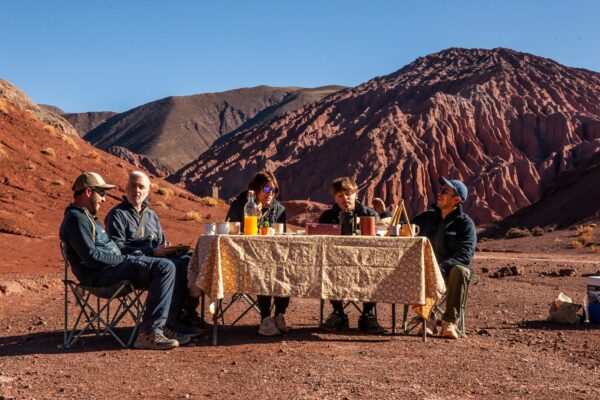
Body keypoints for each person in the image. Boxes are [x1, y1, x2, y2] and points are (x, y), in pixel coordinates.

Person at [59, 171, 193, 350]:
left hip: (110, 268)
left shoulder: (85, 216)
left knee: (180, 262)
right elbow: (92, 258)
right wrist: (126, 258)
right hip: (99, 276)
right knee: (165, 268)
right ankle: (149, 333)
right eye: (102, 193)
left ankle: (172, 322)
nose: (104, 199)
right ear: (89, 192)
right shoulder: (76, 219)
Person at [105, 171, 203, 331]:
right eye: (133, 186)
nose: (137, 190)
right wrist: (151, 252)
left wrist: (170, 248)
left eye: (141, 187)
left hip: (157, 260)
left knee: (190, 261)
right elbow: (117, 248)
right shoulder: (117, 215)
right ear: (126, 188)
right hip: (132, 265)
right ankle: (169, 323)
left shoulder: (151, 215)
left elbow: (161, 242)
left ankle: (186, 314)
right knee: (175, 267)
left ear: (148, 191)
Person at [225, 170, 290, 336]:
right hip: (243, 257)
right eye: (266, 190)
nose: (270, 194)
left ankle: (279, 315)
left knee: (285, 268)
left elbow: (281, 238)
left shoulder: (279, 209)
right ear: (255, 189)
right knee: (265, 271)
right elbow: (230, 232)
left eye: (274, 191)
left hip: (272, 258)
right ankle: (265, 319)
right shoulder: (240, 205)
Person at [412, 177, 477, 339]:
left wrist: (441, 268)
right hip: (427, 271)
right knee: (422, 269)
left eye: (445, 191)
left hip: (449, 272)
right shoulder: (426, 218)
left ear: (456, 200)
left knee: (461, 271)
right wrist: (383, 214)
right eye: (440, 189)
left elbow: (465, 255)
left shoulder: (465, 224)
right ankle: (428, 319)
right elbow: (402, 227)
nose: (439, 193)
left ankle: (449, 322)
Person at [318, 177, 384, 334]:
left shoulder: (369, 215)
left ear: (356, 194)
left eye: (348, 194)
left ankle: (368, 315)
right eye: (340, 196)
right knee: (328, 268)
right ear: (335, 198)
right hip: (337, 264)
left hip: (365, 264)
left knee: (374, 268)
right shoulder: (327, 217)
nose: (345, 199)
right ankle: (338, 314)